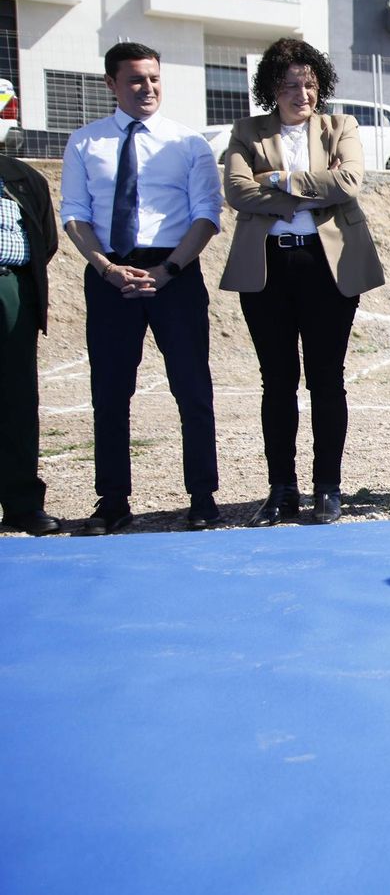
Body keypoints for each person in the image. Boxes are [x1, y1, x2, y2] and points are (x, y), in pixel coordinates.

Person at [220, 38, 386, 527]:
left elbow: (351, 181)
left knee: (327, 381)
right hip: (268, 269)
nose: (302, 93)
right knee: (277, 383)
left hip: (327, 268)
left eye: (310, 84)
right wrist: (312, 189)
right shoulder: (247, 130)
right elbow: (235, 189)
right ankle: (281, 489)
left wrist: (275, 182)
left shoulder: (342, 127)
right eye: (291, 84)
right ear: (273, 87)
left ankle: (327, 488)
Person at [60, 42, 223, 535]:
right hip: (111, 276)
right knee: (110, 392)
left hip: (174, 274)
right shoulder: (85, 143)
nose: (147, 88)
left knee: (192, 388)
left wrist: (170, 269)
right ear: (111, 84)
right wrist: (105, 267)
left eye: (154, 78)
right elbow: (74, 214)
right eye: (135, 80)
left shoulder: (187, 143)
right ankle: (111, 501)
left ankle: (202, 497)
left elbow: (206, 215)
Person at [0, 154, 61, 535]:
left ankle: (22, 504)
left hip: (13, 290)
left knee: (17, 400)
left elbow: (46, 241)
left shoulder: (23, 176)